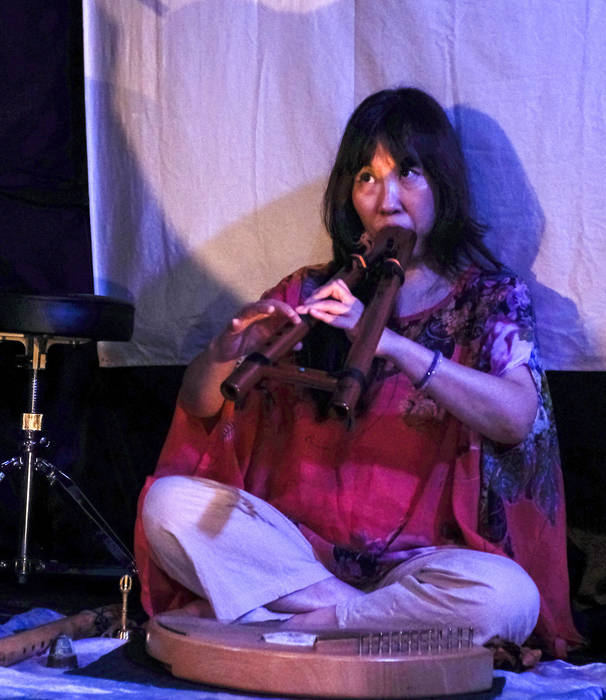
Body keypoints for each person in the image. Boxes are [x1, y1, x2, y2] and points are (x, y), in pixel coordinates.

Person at [134, 87, 581, 657]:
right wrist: (226, 349)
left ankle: (281, 624)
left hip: (421, 566)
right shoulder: (313, 289)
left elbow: (515, 416)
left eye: (407, 173)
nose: (386, 199)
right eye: (367, 177)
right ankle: (343, 616)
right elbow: (200, 402)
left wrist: (388, 343)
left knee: (508, 598)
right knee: (168, 506)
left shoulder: (490, 297)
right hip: (299, 557)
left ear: (443, 182)